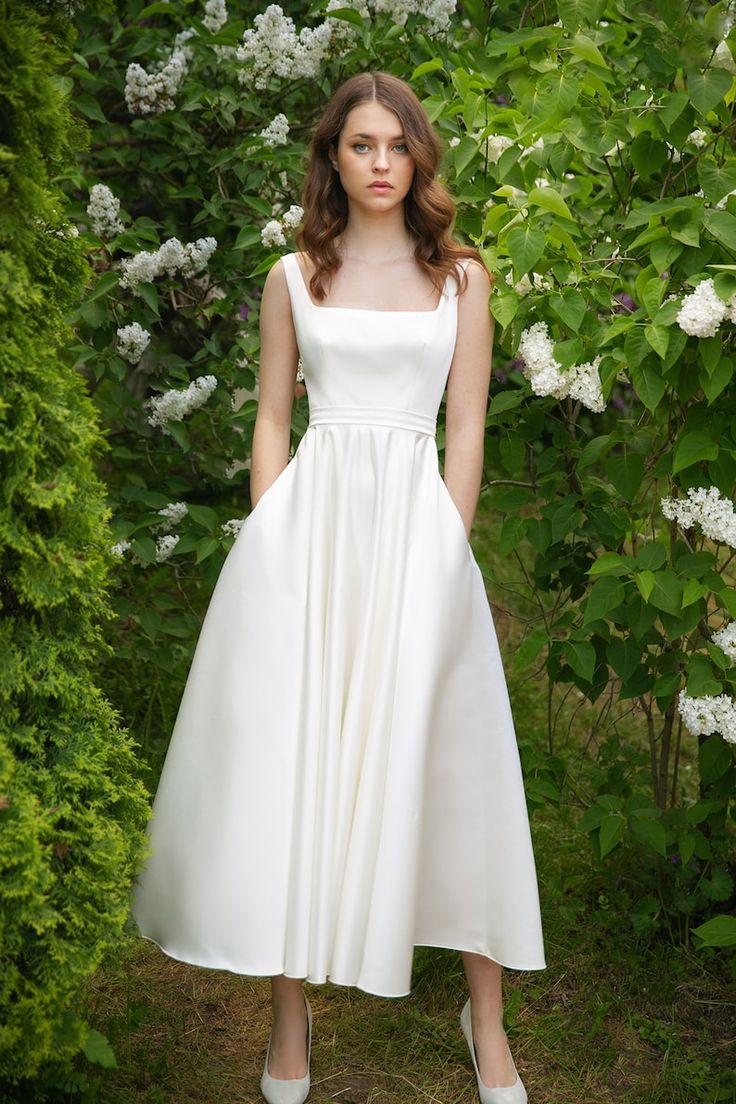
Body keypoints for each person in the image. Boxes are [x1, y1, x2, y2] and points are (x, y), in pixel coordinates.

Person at [130, 70, 546, 1104]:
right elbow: (273, 418)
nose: (377, 164)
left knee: (453, 762)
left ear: (418, 159)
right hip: (309, 536)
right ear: (332, 157)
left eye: (394, 146)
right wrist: (272, 536)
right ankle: (288, 1016)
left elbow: (465, 427)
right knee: (295, 766)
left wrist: (446, 551)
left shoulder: (461, 280)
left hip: (416, 531)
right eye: (358, 146)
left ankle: (484, 1018)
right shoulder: (291, 277)